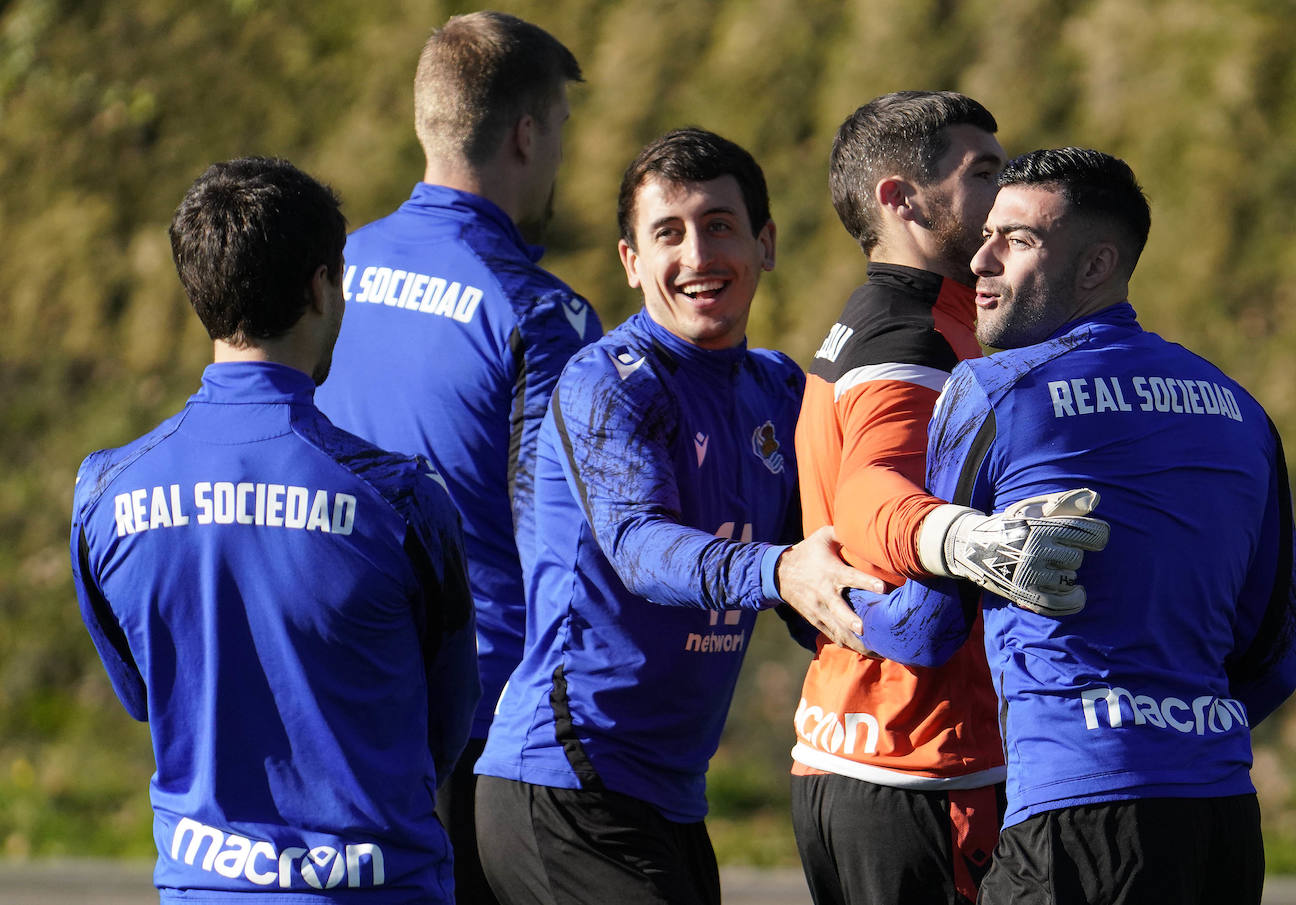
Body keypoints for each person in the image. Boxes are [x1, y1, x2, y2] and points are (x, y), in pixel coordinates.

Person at [848, 148, 1296, 904]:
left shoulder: (993, 389)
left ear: (1097, 265)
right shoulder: (1242, 409)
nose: (981, 260)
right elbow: (1272, 661)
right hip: (1221, 820)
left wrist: (824, 593)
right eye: (987, 235)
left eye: (1019, 240)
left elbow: (927, 629)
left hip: (1075, 815)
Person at [472, 128, 885, 905]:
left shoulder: (778, 390)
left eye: (718, 225)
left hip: (670, 795)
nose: (697, 255)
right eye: (668, 233)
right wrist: (780, 570)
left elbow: (821, 572)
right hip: (566, 782)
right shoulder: (608, 383)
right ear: (632, 261)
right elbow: (638, 544)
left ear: (765, 244)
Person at [70, 156, 479, 902]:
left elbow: (147, 694)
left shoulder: (104, 492)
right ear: (320, 287)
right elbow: (448, 719)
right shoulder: (404, 501)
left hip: (202, 885)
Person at [312, 13, 600, 902]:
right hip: (476, 716)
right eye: (560, 130)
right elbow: (570, 539)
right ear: (526, 134)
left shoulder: (330, 270)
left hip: (332, 685)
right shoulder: (540, 315)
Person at [789, 90, 1011, 905]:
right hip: (922, 761)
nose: (1005, 197)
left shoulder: (872, 319)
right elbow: (868, 497)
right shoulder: (914, 338)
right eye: (982, 174)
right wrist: (968, 542)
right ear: (900, 198)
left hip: (850, 749)